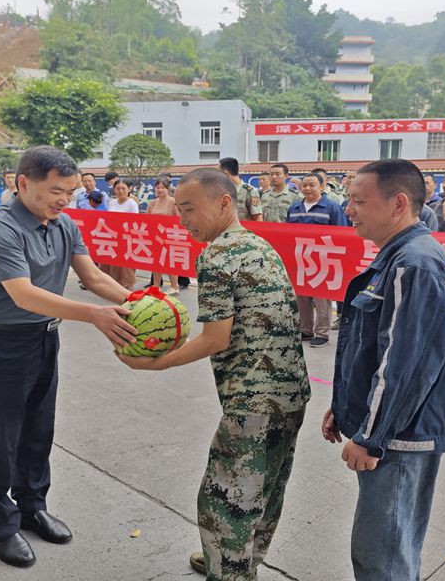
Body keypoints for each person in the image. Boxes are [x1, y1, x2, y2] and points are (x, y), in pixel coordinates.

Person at [118, 167, 310, 581]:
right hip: (292, 394)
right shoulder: (258, 243)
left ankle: (230, 571)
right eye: (179, 209)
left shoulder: (217, 255)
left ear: (224, 202)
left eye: (189, 209)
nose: (182, 219)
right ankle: (241, 562)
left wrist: (155, 363)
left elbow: (214, 339)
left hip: (254, 401)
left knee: (223, 499)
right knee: (265, 491)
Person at [0, 146, 136, 568]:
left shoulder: (64, 225)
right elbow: (23, 293)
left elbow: (91, 276)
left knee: (37, 431)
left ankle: (33, 506)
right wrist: (94, 315)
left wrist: (141, 301)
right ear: (23, 183)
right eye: (56, 191)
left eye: (71, 192)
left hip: (41, 340)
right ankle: (2, 525)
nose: (65, 200)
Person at [325, 158, 445, 581]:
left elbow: (403, 364)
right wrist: (345, 405)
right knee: (394, 542)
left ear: (398, 203)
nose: (349, 210)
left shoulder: (413, 265)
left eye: (358, 201)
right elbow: (373, 351)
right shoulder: (401, 256)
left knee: (381, 553)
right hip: (396, 430)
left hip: (399, 437)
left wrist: (372, 437)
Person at [286, 173, 347, 347]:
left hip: (323, 259)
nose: (307, 188)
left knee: (322, 298)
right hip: (300, 259)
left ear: (322, 186)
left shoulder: (332, 207)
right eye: (304, 185)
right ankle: (305, 329)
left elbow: (341, 234)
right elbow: (286, 235)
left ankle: (322, 333)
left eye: (312, 185)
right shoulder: (294, 208)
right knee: (301, 295)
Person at [99, 179, 139, 290]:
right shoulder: (112, 202)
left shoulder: (132, 203)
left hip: (126, 237)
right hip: (112, 237)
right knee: (112, 261)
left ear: (129, 189)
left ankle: (128, 287)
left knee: (125, 264)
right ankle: (113, 285)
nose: (120, 191)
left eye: (123, 188)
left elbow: (135, 221)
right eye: (118, 188)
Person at [145, 176, 180, 295]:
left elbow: (178, 218)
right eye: (158, 187)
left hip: (169, 235)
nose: (160, 190)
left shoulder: (173, 201)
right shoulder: (153, 202)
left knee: (170, 262)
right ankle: (155, 285)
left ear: (167, 188)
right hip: (155, 235)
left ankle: (174, 286)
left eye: (163, 188)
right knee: (156, 262)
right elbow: (146, 218)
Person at [218, 157, 262, 221]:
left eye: (219, 172)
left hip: (244, 230)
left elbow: (258, 218)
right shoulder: (223, 190)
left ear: (226, 172)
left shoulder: (249, 191)